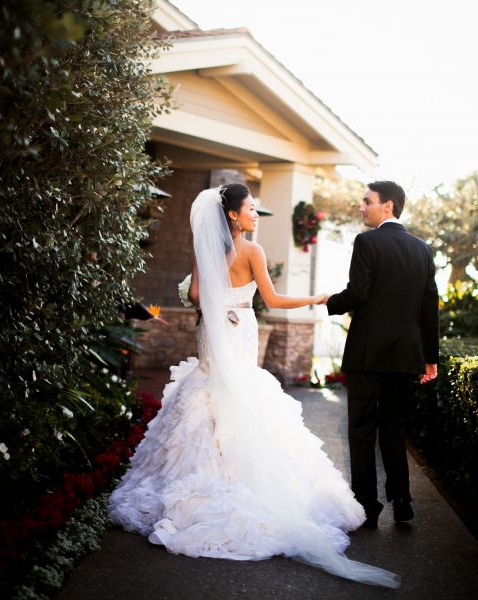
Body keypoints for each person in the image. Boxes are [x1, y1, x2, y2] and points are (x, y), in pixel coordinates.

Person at [108, 184, 400, 588]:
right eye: (250, 209)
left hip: (213, 331)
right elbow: (274, 300)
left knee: (206, 393)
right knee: (240, 394)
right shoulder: (253, 252)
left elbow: (194, 294)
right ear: (233, 215)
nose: (255, 214)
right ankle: (236, 472)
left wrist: (212, 300)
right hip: (238, 328)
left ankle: (206, 469)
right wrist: (316, 298)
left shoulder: (204, 249)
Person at [325, 180, 439, 527]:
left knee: (361, 429)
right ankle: (402, 501)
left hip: (367, 353)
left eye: (367, 201)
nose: (362, 207)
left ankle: (366, 505)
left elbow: (358, 293)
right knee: (394, 428)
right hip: (405, 355)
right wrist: (430, 358)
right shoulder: (422, 249)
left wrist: (331, 302)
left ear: (388, 205)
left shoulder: (367, 242)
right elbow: (429, 307)